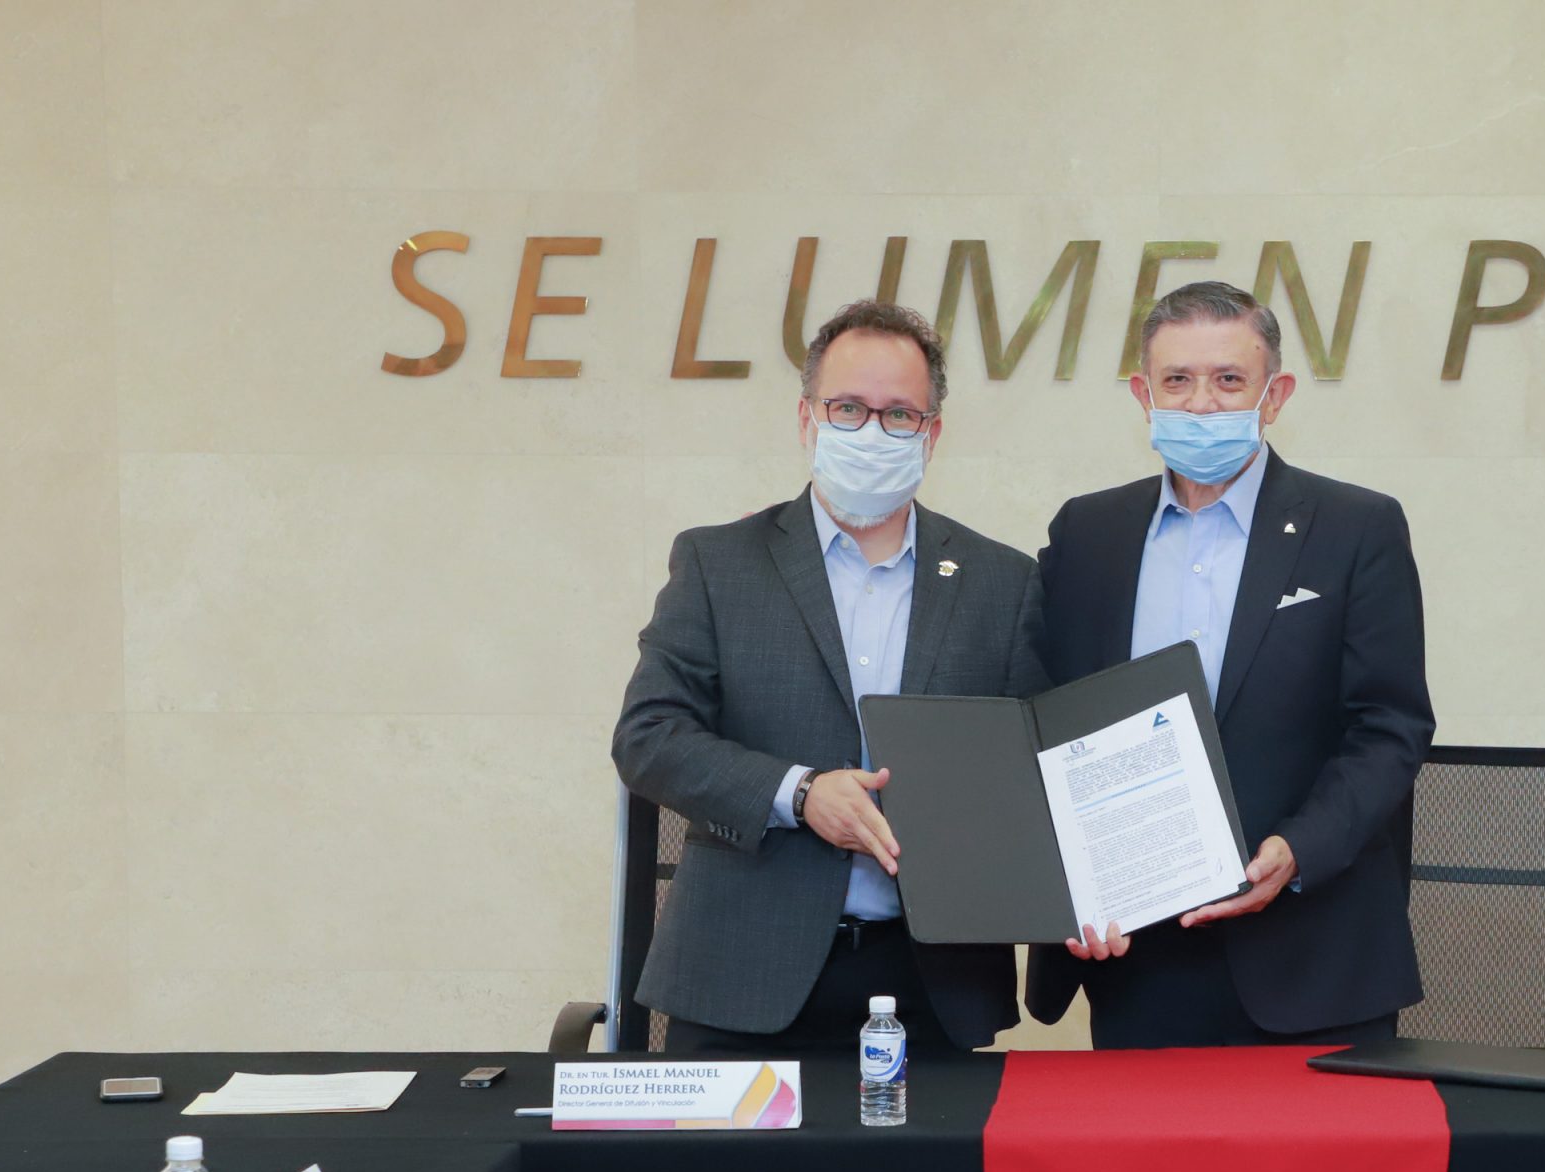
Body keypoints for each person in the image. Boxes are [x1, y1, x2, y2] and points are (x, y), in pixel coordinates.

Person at [613, 300, 1045, 1057]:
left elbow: (1035, 769)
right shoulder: (720, 564)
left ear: (932, 434)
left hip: (932, 984)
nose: (872, 431)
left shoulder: (1002, 582)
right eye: (848, 408)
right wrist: (801, 793)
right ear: (807, 417)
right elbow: (649, 738)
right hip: (739, 975)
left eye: (899, 414)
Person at [1025, 280, 1434, 1049]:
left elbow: (1390, 728)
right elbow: (1043, 722)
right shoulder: (1088, 533)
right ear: (1144, 394)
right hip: (1137, 959)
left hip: (1313, 954)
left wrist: (1298, 851)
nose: (1202, 403)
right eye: (1178, 380)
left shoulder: (1357, 528)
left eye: (1229, 380)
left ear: (1274, 395)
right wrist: (1067, 881)